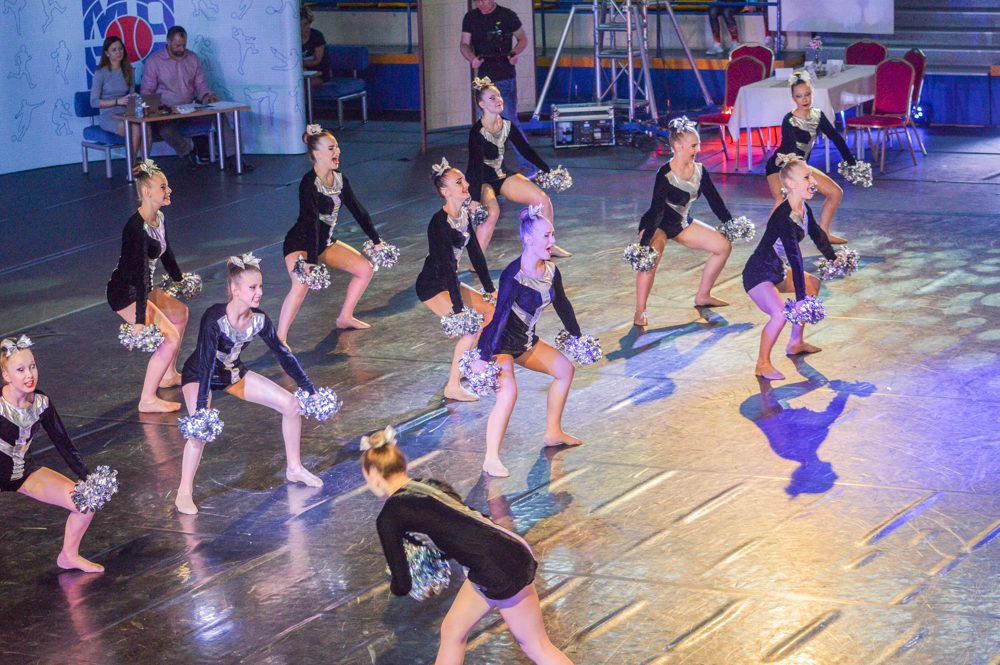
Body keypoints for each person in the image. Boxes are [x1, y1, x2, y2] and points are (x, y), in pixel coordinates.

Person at [361, 428, 573, 665]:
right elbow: (459, 529)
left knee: (536, 646)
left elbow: (401, 585)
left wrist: (419, 566)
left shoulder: (389, 517)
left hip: (499, 566)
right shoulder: (430, 485)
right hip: (506, 550)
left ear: (374, 476)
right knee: (452, 630)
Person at [175, 253, 325, 515]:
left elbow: (283, 355)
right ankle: (183, 493)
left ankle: (294, 468)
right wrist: (202, 409)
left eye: (261, 287)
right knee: (200, 430)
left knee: (291, 404)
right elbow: (208, 362)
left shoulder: (260, 320)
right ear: (234, 290)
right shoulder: (213, 318)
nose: (260, 293)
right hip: (200, 375)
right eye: (252, 288)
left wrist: (309, 390)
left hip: (232, 373)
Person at [472, 207, 581, 478]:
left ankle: (553, 432)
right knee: (508, 394)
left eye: (553, 234)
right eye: (546, 236)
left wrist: (578, 337)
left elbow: (563, 305)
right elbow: (497, 319)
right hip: (499, 346)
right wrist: (483, 357)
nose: (552, 241)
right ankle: (491, 458)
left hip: (526, 343)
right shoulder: (513, 275)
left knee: (565, 370)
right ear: (529, 240)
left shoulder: (552, 271)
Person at [1, 336, 104, 573]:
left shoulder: (41, 403)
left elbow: (62, 442)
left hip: (23, 473)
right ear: (6, 376)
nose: (30, 375)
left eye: (33, 366)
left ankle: (69, 556)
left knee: (85, 502)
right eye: (20, 370)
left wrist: (85, 476)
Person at [278, 126, 387, 342]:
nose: (336, 151)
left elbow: (359, 211)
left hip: (323, 242)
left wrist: (376, 241)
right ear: (317, 154)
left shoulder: (340, 179)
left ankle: (345, 317)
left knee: (364, 269)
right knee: (301, 284)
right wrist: (309, 261)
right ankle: (280, 339)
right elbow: (310, 222)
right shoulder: (309, 183)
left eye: (336, 146)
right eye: (330, 148)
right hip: (300, 243)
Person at [633, 117, 736, 325]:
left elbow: (715, 200)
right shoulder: (665, 174)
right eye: (693, 145)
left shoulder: (699, 170)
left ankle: (703, 296)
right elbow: (656, 211)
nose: (698, 149)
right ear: (678, 147)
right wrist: (644, 247)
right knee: (650, 263)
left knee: (723, 246)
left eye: (697, 145)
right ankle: (640, 311)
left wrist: (731, 224)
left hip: (681, 223)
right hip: (658, 225)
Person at [742, 157, 837, 381]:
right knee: (779, 314)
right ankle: (762, 364)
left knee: (814, 284)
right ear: (791, 184)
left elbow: (818, 235)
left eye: (812, 176)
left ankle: (796, 342)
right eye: (807, 177)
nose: (813, 181)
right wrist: (801, 299)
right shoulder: (783, 216)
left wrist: (834, 258)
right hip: (758, 274)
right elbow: (794, 256)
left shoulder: (804, 209)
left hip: (775, 270)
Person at [106, 160, 189, 413]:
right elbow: (140, 276)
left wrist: (179, 279)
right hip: (125, 293)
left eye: (167, 186)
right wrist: (140, 320)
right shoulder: (135, 228)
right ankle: (147, 399)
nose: (169, 190)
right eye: (163, 187)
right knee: (169, 338)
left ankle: (168, 375)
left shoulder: (159, 218)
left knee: (180, 314)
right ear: (147, 192)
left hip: (143, 286)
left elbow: (166, 251)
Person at [416, 159, 497, 402]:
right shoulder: (438, 223)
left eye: (464, 180)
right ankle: (452, 386)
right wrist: (459, 310)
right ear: (445, 191)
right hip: (432, 286)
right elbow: (448, 267)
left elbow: (475, 254)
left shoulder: (463, 215)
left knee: (490, 311)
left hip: (447, 281)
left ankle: (471, 367)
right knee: (470, 329)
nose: (466, 185)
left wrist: (490, 289)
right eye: (459, 182)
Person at [467, 80, 570, 258]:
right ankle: (476, 262)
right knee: (492, 212)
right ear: (481, 104)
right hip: (482, 180)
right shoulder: (477, 131)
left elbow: (525, 149)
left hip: (503, 175)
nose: (499, 100)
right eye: (492, 98)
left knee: (542, 200)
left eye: (499, 96)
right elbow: (474, 166)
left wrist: (547, 170)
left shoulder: (507, 125)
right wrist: (475, 199)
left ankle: (548, 246)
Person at [139, 25, 253, 172]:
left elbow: (201, 84)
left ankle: (234, 157)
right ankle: (188, 153)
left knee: (218, 115)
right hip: (168, 111)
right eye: (177, 45)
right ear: (168, 41)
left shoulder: (192, 58)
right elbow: (146, 91)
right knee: (166, 131)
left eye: (184, 45)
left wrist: (207, 95)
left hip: (191, 107)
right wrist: (158, 110)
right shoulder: (154, 61)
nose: (181, 49)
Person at [764, 71, 856, 244]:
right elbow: (790, 151)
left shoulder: (818, 115)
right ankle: (768, 244)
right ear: (793, 98)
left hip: (800, 166)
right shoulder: (789, 120)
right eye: (799, 96)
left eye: (807, 95)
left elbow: (835, 137)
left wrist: (851, 162)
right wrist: (801, 178)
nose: (804, 100)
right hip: (780, 166)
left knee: (835, 193)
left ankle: (824, 234)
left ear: (812, 94)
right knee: (782, 200)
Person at [461, 0, 534, 176]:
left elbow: (522, 38)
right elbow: (464, 44)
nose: (481, 4)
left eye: (484, 0)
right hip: (483, 78)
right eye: (477, 1)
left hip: (504, 76)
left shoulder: (507, 15)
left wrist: (514, 53)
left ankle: (529, 165)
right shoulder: (471, 17)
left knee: (509, 122)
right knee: (487, 125)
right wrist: (472, 58)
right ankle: (492, 168)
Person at [89, 35, 141, 159]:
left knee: (146, 129)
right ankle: (133, 167)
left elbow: (131, 95)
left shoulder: (129, 70)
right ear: (107, 53)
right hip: (108, 115)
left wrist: (133, 97)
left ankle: (146, 166)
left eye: (120, 49)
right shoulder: (101, 73)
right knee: (135, 128)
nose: (118, 52)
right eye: (114, 50)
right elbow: (94, 102)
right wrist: (117, 101)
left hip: (126, 113)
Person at [301, 7, 328, 84]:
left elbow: (317, 60)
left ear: (310, 23)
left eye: (305, 24)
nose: (302, 28)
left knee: (303, 85)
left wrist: (300, 65)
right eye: (299, 25)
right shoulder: (291, 38)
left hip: (319, 73)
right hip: (300, 72)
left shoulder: (317, 36)